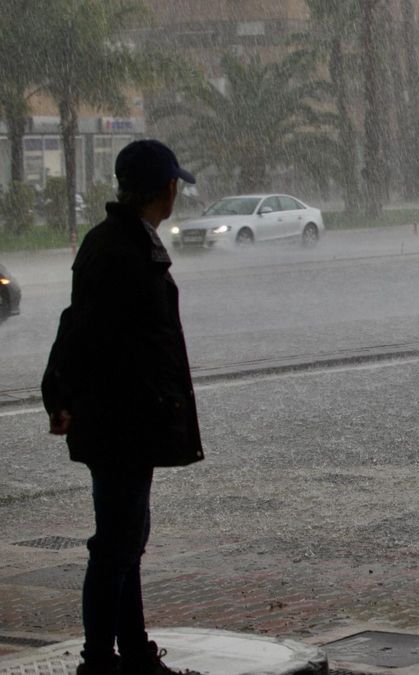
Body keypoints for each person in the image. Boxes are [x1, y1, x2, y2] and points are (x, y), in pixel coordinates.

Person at [42, 139, 204, 675]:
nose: (176, 190)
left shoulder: (117, 242)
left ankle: (131, 650)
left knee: (125, 539)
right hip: (122, 421)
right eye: (174, 183)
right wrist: (154, 400)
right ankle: (101, 658)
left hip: (120, 418)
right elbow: (96, 335)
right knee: (115, 543)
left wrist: (64, 394)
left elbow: (80, 327)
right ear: (165, 189)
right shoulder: (123, 251)